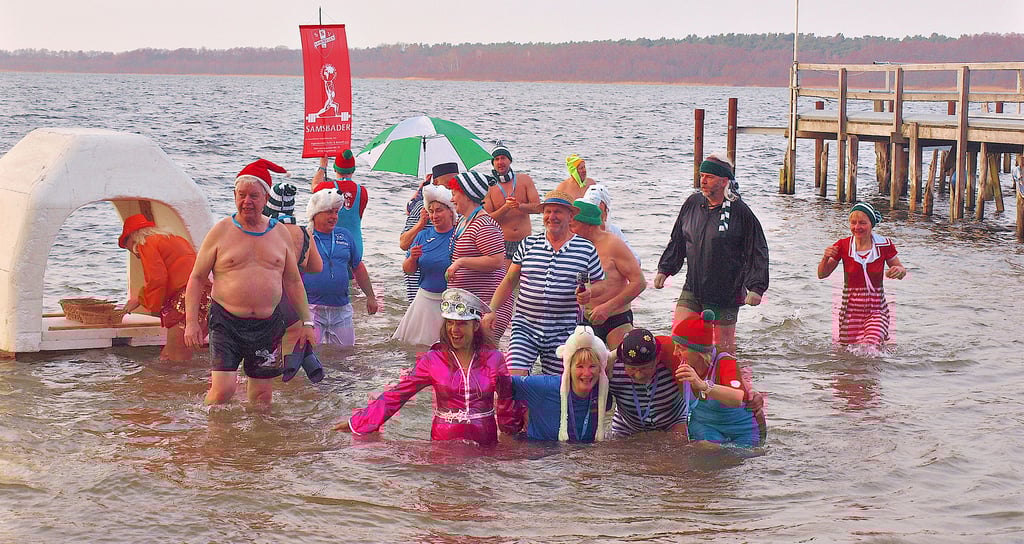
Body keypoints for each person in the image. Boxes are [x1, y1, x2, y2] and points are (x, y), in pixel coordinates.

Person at [184, 159, 317, 405]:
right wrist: (191, 322)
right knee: (223, 390)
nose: (247, 202)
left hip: (267, 326)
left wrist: (306, 322)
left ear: (266, 199)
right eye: (242, 195)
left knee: (262, 397)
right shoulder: (220, 231)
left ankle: (258, 443)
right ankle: (211, 436)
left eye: (254, 196)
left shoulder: (279, 234)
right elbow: (197, 277)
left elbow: (293, 281)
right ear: (234, 196)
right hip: (227, 322)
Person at [334, 289, 522, 446]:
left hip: (485, 444)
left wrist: (512, 436)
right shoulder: (433, 359)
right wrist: (357, 423)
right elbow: (398, 394)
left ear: (475, 326)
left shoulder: (494, 358)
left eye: (461, 324)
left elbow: (506, 400)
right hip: (443, 444)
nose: (454, 330)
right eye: (450, 322)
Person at [654, 152, 769, 355]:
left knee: (722, 349)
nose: (703, 181)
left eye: (709, 177)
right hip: (693, 287)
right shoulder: (692, 204)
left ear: (724, 181)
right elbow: (678, 240)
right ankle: (683, 382)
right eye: (702, 176)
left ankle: (723, 383)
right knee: (678, 338)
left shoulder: (740, 212)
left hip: (725, 293)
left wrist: (756, 288)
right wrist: (665, 269)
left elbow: (757, 250)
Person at [485, 190, 605, 376]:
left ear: (570, 215)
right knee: (514, 378)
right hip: (525, 326)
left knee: (558, 386)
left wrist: (590, 292)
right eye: (548, 211)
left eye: (558, 212)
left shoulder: (586, 249)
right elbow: (509, 281)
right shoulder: (528, 244)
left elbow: (601, 284)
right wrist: (492, 310)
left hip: (564, 330)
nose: (552, 217)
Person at [118, 214, 210, 362]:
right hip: (205, 298)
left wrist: (141, 299)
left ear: (132, 238)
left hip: (184, 300)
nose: (135, 255)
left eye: (128, 248)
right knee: (167, 356)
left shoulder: (146, 243)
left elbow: (157, 279)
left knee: (176, 359)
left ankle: (179, 385)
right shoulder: (174, 238)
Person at [817, 201, 907, 346]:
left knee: (871, 346)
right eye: (853, 223)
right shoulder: (843, 245)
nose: (857, 227)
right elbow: (822, 274)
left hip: (877, 310)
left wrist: (899, 271)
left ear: (871, 224)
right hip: (850, 312)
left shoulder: (884, 245)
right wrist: (825, 257)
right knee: (850, 357)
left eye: (862, 223)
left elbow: (902, 271)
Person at [672, 311, 766, 448]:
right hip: (706, 426)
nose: (675, 352)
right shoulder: (678, 359)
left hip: (742, 429)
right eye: (675, 346)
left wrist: (703, 385)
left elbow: (737, 397)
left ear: (699, 351)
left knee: (743, 462)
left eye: (681, 348)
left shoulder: (725, 361)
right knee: (703, 452)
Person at [303, 188, 379, 347]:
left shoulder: (344, 235)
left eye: (336, 212)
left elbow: (358, 267)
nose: (334, 217)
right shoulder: (304, 237)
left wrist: (370, 296)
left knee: (346, 354)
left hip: (341, 308)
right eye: (329, 212)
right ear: (315, 214)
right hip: (312, 308)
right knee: (311, 355)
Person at [510, 325, 611, 442]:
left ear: (600, 368)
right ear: (569, 368)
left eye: (592, 366)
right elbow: (504, 382)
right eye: (580, 366)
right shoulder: (546, 387)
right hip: (538, 456)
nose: (587, 373)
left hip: (581, 456)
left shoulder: (602, 395)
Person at [446, 171, 515, 339]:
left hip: (487, 305)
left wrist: (461, 262)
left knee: (483, 357)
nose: (451, 199)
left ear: (467, 196)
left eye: (454, 194)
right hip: (468, 303)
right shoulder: (463, 221)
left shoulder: (483, 224)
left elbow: (497, 261)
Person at [569, 200, 646, 349]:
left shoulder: (613, 244)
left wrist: (607, 308)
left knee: (620, 367)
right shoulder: (575, 245)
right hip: (584, 319)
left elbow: (639, 282)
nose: (569, 230)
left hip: (615, 317)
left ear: (589, 225)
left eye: (573, 225)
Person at [392, 185, 457, 345]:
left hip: (449, 302)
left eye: (439, 210)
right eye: (431, 211)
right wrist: (412, 258)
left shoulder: (459, 236)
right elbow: (408, 270)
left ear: (451, 211)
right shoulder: (422, 235)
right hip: (424, 300)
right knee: (416, 350)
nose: (434, 215)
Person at [262, 182, 323, 346]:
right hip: (294, 305)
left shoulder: (264, 231)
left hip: (268, 303)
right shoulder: (304, 232)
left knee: (265, 359)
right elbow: (317, 267)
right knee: (291, 355)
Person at [605, 328, 690, 438]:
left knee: (682, 446)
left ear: (657, 359)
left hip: (673, 420)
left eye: (645, 368)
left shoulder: (671, 365)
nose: (639, 375)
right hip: (627, 426)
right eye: (632, 369)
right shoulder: (613, 371)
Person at [401, 162, 460, 302]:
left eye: (455, 183)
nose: (452, 187)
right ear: (436, 182)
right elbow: (403, 243)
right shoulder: (422, 207)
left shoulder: (457, 205)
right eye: (449, 183)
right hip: (420, 269)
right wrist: (420, 224)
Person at [482, 144, 541, 267]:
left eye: (503, 158)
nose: (500, 162)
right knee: (506, 281)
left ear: (510, 160)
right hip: (502, 241)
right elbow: (487, 219)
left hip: (525, 240)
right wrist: (505, 208)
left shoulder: (524, 180)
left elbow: (538, 208)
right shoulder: (489, 187)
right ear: (493, 163)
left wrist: (519, 206)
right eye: (496, 159)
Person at [312, 149, 369, 258]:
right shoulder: (362, 191)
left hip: (334, 244)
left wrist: (322, 166)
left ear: (335, 169)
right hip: (355, 243)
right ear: (353, 170)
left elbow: (314, 187)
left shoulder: (328, 187)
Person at [579, 183, 640, 264]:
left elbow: (636, 260)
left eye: (599, 206)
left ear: (605, 208)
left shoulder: (614, 232)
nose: (595, 211)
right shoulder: (579, 229)